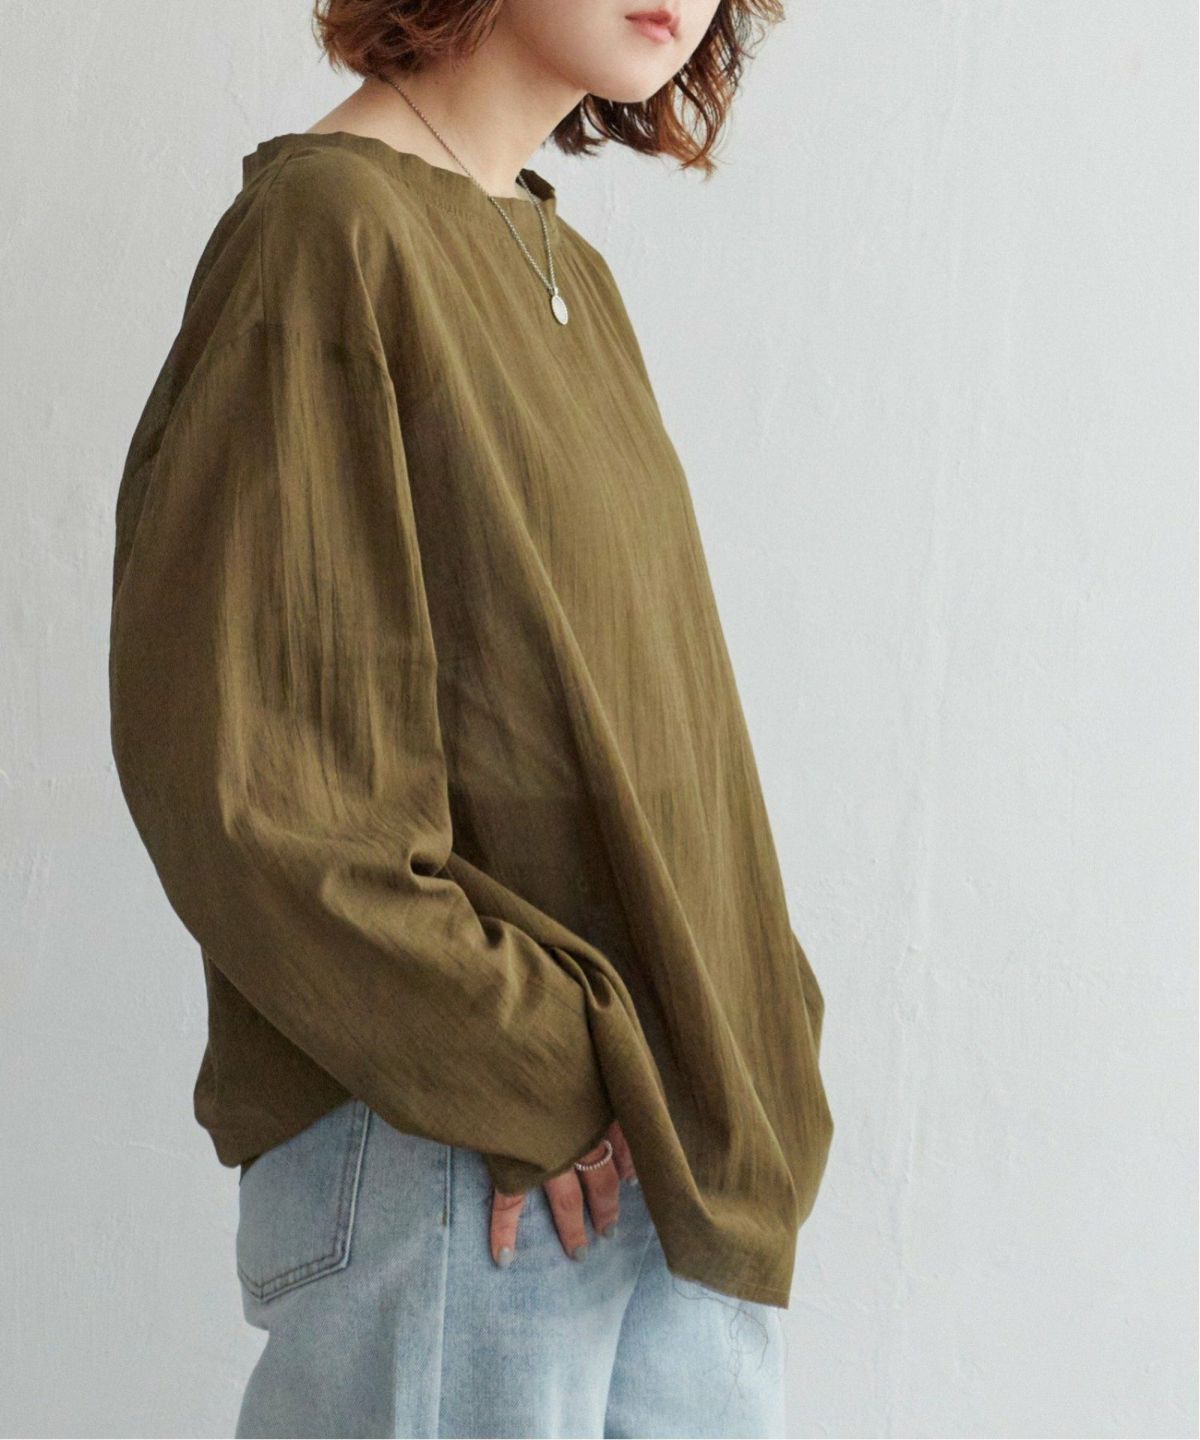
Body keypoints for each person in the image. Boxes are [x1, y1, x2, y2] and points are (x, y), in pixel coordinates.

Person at [107, 0, 833, 1434]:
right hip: (466, 1152)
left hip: (670, 1151)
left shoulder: (567, 270)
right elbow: (257, 788)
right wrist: (532, 1069)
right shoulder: (327, 233)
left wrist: (756, 1032)